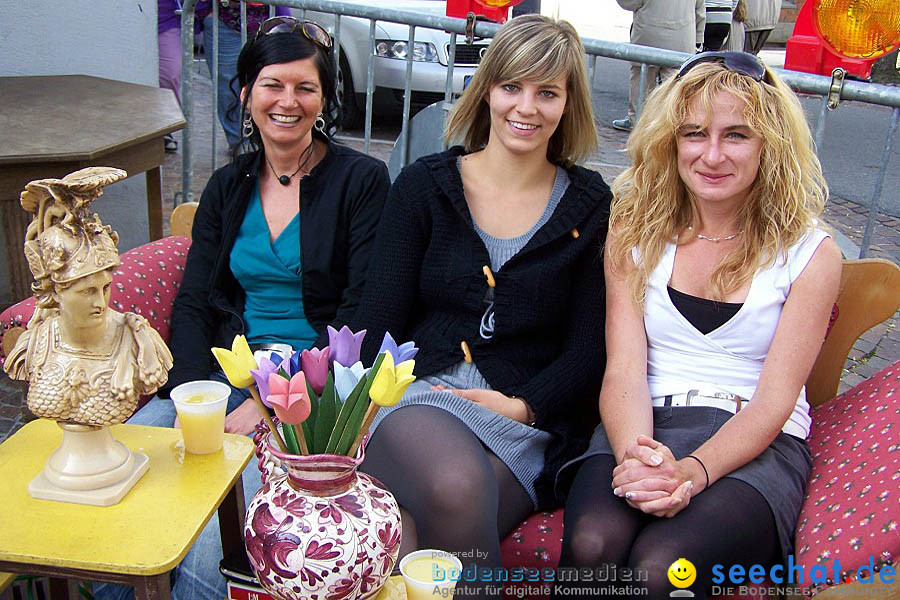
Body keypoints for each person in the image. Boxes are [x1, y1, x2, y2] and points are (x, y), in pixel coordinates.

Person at [93, 16, 389, 600]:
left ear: (325, 99)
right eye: (272, 85)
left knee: (213, 532)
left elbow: (364, 314)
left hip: (313, 389)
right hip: (224, 371)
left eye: (305, 87)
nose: (288, 101)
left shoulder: (363, 181)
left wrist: (271, 406)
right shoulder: (229, 187)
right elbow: (197, 300)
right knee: (122, 487)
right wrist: (188, 396)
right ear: (246, 93)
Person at [555, 51, 842, 599]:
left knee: (663, 567)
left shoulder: (809, 254)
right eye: (693, 134)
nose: (711, 155)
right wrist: (639, 457)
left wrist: (691, 472)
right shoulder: (633, 231)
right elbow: (623, 372)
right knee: (592, 544)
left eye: (736, 135)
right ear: (670, 141)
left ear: (769, 145)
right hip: (644, 424)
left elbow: (775, 402)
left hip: (755, 443)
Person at [351, 14, 611, 599]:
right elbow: (375, 324)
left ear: (568, 105)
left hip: (520, 424)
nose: (527, 107)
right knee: (455, 483)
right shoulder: (425, 187)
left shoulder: (591, 205)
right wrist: (346, 416)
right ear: (487, 89)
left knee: (414, 543)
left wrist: (523, 406)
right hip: (420, 398)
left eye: (547, 92)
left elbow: (590, 347)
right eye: (512, 86)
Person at [202, 2, 292, 150]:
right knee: (228, 88)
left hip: (269, 17)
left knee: (272, 84)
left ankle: (265, 142)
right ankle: (240, 145)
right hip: (225, 17)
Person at [612, 0, 706, 132]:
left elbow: (629, 3)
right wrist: (698, 38)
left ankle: (636, 119)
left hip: (649, 33)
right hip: (682, 37)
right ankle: (672, 123)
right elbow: (700, 10)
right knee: (675, 83)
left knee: (642, 80)